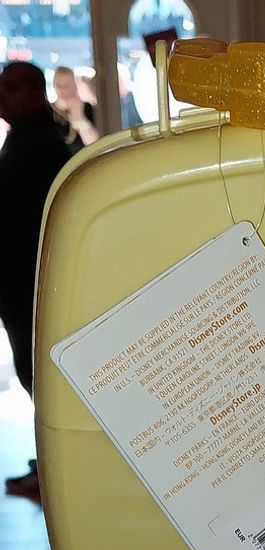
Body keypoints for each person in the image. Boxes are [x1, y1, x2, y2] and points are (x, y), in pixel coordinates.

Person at [0, 62, 72, 500]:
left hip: (32, 285)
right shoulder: (31, 138)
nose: (2, 96)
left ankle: (54, 473)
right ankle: (47, 464)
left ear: (35, 92)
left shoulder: (40, 145)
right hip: (23, 284)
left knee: (40, 379)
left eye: (11, 88)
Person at [52, 65, 99, 154]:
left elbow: (94, 143)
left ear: (74, 85)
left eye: (66, 85)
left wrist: (79, 117)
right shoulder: (49, 111)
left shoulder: (87, 108)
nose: (61, 90)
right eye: (58, 85)